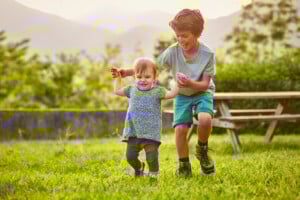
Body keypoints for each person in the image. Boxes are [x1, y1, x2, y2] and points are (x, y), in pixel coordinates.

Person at [111, 8, 216, 177]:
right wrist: (127, 72)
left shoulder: (207, 54)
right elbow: (153, 66)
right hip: (182, 94)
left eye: (185, 35)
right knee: (180, 129)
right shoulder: (173, 51)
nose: (180, 39)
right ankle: (183, 164)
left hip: (202, 92)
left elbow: (205, 84)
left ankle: (202, 150)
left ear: (196, 34)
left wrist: (189, 83)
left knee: (204, 119)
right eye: (178, 35)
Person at [112, 57, 179, 177]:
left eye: (147, 77)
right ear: (134, 78)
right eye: (139, 77)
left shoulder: (158, 91)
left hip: (151, 133)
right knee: (130, 157)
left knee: (152, 158)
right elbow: (117, 91)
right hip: (133, 132)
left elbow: (172, 94)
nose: (143, 80)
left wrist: (179, 84)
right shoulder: (131, 90)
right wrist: (118, 78)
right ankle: (139, 167)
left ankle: (154, 175)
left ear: (154, 78)